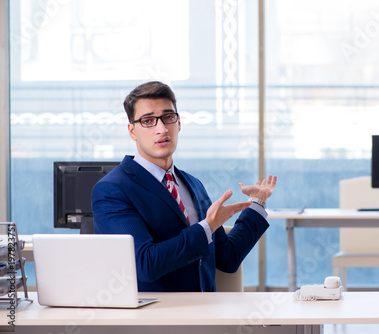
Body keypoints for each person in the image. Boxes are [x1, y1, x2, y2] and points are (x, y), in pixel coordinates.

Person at [91, 81, 277, 292]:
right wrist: (207, 226)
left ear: (178, 124)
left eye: (168, 117)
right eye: (148, 121)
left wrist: (257, 203)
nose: (161, 129)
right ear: (132, 131)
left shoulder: (193, 184)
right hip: (155, 318)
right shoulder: (112, 190)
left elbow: (228, 259)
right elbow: (145, 264)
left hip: (206, 313)